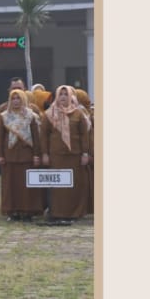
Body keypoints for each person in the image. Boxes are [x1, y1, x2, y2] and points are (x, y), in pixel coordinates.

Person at [41, 84, 92, 223]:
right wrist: (44, 154)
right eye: (60, 94)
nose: (63, 97)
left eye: (66, 94)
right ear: (56, 96)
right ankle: (57, 212)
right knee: (58, 187)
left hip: (74, 157)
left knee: (73, 186)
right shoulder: (48, 114)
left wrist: (85, 154)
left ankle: (73, 213)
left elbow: (84, 136)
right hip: (56, 157)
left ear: (71, 97)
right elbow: (44, 136)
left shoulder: (78, 114)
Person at [0, 87, 45, 221]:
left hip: (27, 156)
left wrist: (36, 155)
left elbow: (36, 137)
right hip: (9, 156)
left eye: (18, 98)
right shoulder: (4, 116)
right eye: (13, 98)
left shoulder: (31, 115)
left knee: (27, 186)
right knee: (10, 186)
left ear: (24, 99)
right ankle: (12, 211)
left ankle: (28, 211)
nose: (16, 101)